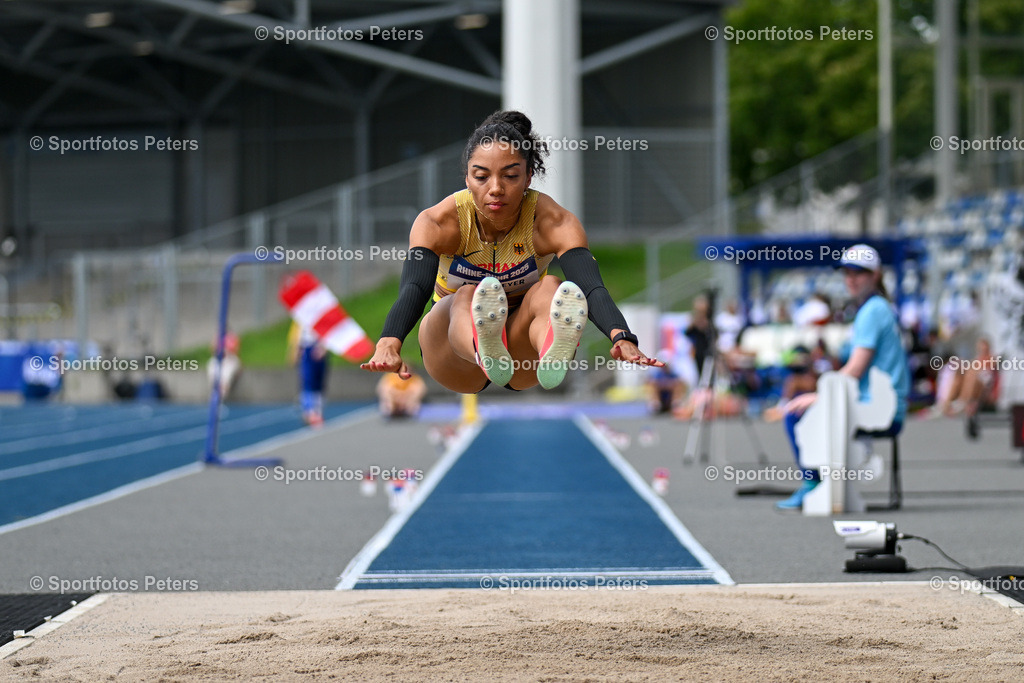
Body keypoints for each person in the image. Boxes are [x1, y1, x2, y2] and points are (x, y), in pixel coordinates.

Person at [360, 110, 662, 391]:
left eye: (510, 176)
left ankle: (551, 347)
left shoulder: (552, 222)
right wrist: (389, 341)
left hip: (519, 357)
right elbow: (414, 287)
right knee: (465, 295)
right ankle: (482, 346)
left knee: (553, 287)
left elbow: (591, 286)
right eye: (481, 176)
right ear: (467, 178)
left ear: (528, 177)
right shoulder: (439, 222)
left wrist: (622, 336)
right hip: (452, 354)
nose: (495, 188)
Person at [775, 244, 910, 511]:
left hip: (880, 406)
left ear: (875, 274)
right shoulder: (874, 308)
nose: (851, 279)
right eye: (847, 272)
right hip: (877, 400)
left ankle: (814, 484)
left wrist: (820, 397)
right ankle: (820, 482)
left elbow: (856, 369)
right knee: (803, 405)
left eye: (858, 272)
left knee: (796, 413)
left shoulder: (872, 310)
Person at [287, 321, 328, 427]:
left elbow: (327, 329)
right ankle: (309, 412)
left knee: (318, 382)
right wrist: (295, 350)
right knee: (308, 381)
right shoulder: (301, 317)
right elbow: (297, 333)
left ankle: (318, 411)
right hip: (306, 349)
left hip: (318, 347)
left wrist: (323, 347)